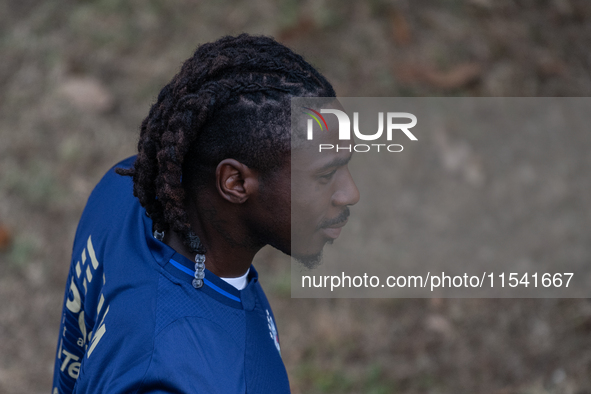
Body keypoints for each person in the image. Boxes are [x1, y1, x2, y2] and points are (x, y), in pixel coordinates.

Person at [52, 33, 359, 394]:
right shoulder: (178, 374)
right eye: (325, 175)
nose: (350, 193)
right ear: (235, 183)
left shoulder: (126, 187)